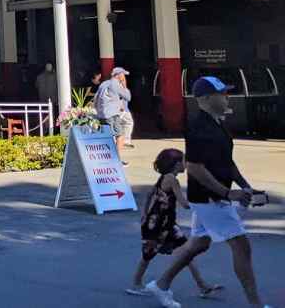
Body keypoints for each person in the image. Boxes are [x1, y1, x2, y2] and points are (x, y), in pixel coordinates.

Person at [144, 77, 270, 308]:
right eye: (222, 93)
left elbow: (227, 162)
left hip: (212, 197)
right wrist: (226, 193)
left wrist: (244, 186)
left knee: (199, 244)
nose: (226, 97)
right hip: (208, 199)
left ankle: (160, 284)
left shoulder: (218, 124)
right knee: (241, 245)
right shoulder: (198, 128)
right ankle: (256, 305)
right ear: (205, 98)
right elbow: (194, 167)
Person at [126, 148, 221, 298]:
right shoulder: (172, 180)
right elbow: (184, 204)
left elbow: (151, 193)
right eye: (183, 161)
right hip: (157, 226)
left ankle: (202, 286)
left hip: (166, 224)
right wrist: (204, 200)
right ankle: (136, 284)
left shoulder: (164, 177)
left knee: (187, 253)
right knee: (148, 255)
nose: (185, 164)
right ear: (176, 164)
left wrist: (145, 213)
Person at [95, 67, 134, 164]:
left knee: (106, 136)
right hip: (112, 114)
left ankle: (104, 158)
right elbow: (128, 97)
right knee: (120, 136)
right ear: (119, 75)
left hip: (101, 114)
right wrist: (124, 86)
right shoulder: (116, 84)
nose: (124, 77)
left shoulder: (104, 84)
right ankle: (116, 160)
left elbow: (95, 99)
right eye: (123, 75)